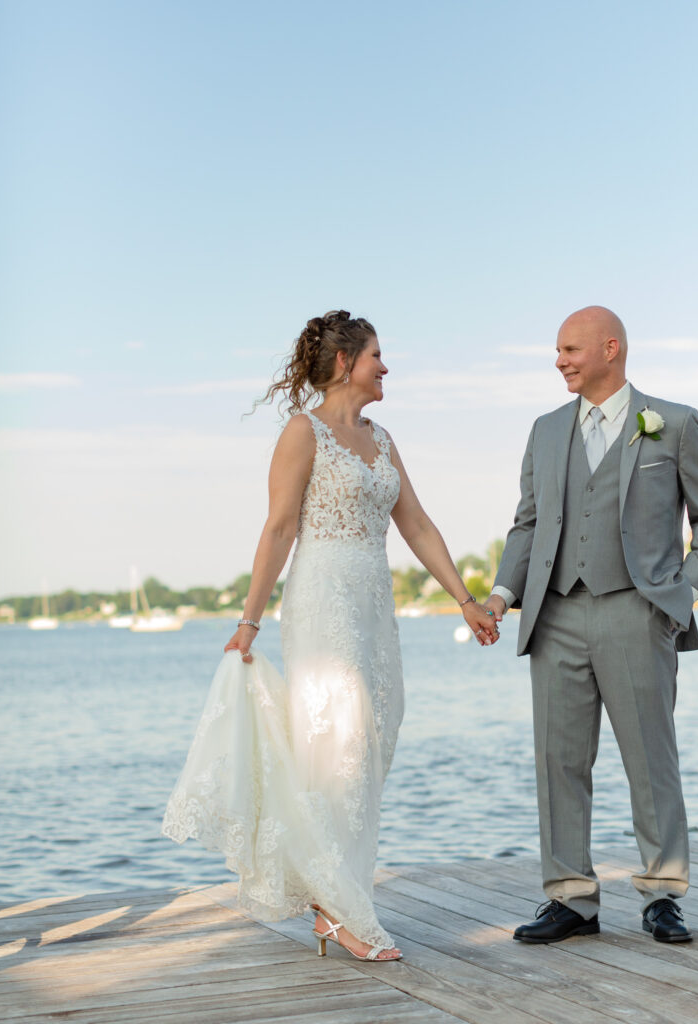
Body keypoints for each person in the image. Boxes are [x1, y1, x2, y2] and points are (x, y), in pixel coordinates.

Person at [162, 310, 498, 962]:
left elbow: (418, 526)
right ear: (345, 363)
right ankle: (341, 909)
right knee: (335, 749)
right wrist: (249, 619)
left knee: (371, 745)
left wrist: (463, 599)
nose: (386, 367)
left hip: (375, 608)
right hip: (322, 603)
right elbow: (279, 529)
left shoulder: (383, 437)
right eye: (377, 355)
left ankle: (331, 895)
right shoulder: (302, 432)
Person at [485, 306, 698, 945]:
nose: (560, 361)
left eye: (570, 349)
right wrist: (500, 592)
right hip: (556, 613)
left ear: (610, 348)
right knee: (559, 760)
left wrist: (682, 593)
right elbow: (528, 522)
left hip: (638, 610)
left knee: (651, 759)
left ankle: (663, 894)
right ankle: (571, 898)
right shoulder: (544, 430)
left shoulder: (672, 423)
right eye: (558, 352)